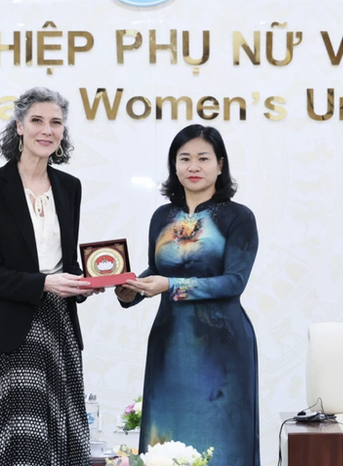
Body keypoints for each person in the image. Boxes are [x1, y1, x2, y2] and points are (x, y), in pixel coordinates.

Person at [0, 87, 99, 466]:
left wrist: (86, 283)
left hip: (57, 328)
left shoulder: (70, 188)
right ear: (18, 126)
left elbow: (63, 263)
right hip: (2, 332)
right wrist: (44, 283)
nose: (46, 130)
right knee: (7, 440)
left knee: (49, 438)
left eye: (56, 123)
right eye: (37, 120)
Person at [116, 124, 260, 466]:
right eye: (184, 158)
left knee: (223, 442)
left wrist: (170, 287)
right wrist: (129, 290)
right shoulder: (162, 217)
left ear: (220, 164)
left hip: (221, 349)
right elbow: (157, 270)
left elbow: (234, 282)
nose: (193, 167)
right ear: (174, 165)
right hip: (169, 345)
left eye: (203, 158)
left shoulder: (239, 218)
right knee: (165, 440)